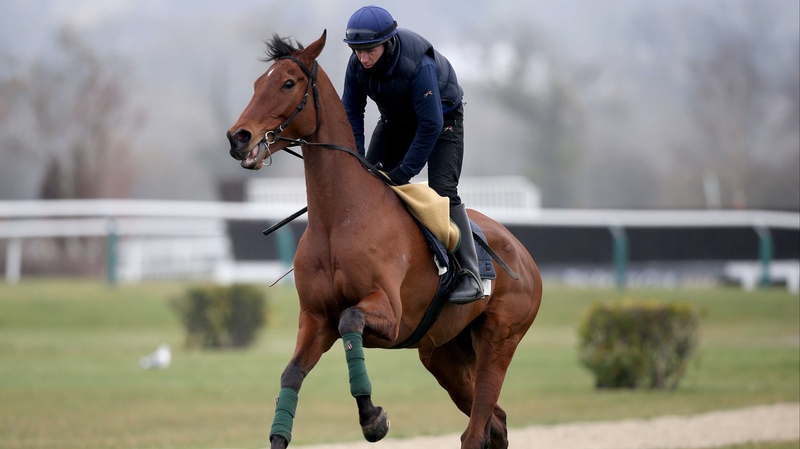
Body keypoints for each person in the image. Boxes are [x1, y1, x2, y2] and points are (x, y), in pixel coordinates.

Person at [341, 5, 483, 304]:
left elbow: (430, 125)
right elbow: (352, 113)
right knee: (367, 182)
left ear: (387, 42)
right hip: (396, 121)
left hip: (442, 120)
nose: (363, 58)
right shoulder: (356, 66)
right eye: (356, 51)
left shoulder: (417, 63)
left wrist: (403, 173)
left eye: (369, 51)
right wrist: (356, 160)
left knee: (443, 189)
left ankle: (471, 273)